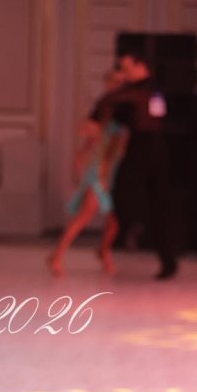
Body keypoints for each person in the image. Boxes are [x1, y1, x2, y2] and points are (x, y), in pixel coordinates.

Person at [90, 51, 179, 280]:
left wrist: (106, 104)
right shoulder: (138, 91)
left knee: (128, 193)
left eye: (126, 67)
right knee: (149, 201)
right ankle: (163, 256)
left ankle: (140, 228)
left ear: (141, 67)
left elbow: (112, 104)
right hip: (151, 148)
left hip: (147, 148)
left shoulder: (142, 90)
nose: (124, 72)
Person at [47, 69, 128, 276]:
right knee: (86, 213)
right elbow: (88, 133)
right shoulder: (102, 109)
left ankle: (103, 250)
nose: (118, 86)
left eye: (122, 82)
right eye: (114, 82)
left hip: (117, 167)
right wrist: (81, 156)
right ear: (107, 84)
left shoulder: (126, 109)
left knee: (115, 217)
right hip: (99, 168)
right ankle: (57, 254)